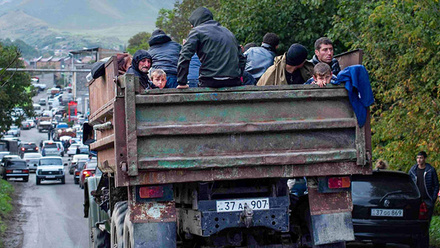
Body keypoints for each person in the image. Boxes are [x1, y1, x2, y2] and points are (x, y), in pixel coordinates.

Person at [177, 7, 246, 88]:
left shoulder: (197, 31)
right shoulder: (228, 32)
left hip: (210, 80)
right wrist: (237, 75)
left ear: (196, 21)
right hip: (233, 80)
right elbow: (242, 58)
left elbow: (184, 56)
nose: (192, 26)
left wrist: (182, 82)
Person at [409, 151, 439, 222]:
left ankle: (426, 233)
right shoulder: (412, 171)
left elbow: (436, 185)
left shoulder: (430, 170)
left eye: (421, 158)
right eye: (418, 158)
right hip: (416, 199)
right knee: (415, 219)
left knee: (427, 220)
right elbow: (409, 184)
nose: (419, 160)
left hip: (428, 199)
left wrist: (433, 198)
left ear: (425, 159)